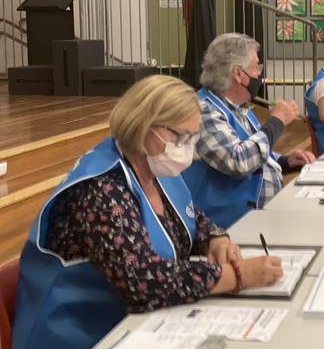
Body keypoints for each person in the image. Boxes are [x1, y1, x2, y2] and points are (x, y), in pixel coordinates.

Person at [12, 75, 283, 349]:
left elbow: (189, 215)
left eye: (193, 136)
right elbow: (144, 282)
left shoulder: (153, 165)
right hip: (82, 336)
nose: (187, 147)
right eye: (181, 136)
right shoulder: (101, 190)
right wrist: (237, 276)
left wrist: (216, 238)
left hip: (135, 326)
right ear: (143, 127)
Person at [183, 33, 315, 228]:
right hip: (228, 227)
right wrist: (276, 122)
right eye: (256, 67)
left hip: (257, 218)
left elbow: (252, 148)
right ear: (239, 74)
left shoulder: (238, 107)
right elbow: (237, 160)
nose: (259, 74)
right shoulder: (204, 111)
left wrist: (284, 161)